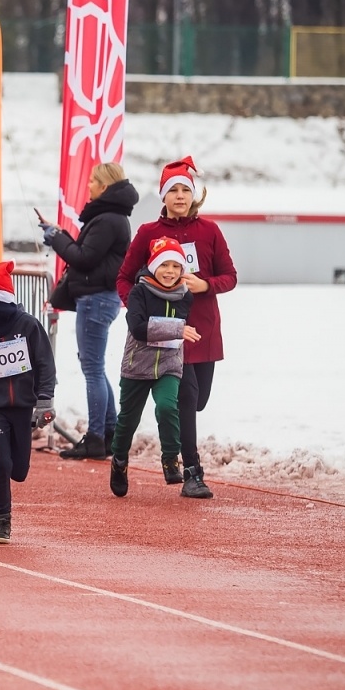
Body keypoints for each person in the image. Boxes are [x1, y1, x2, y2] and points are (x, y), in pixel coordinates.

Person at [116, 158, 235, 500]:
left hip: (204, 331)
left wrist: (204, 285)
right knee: (185, 397)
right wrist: (137, 308)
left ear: (193, 195)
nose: (180, 196)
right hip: (166, 336)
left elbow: (230, 276)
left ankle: (178, 443)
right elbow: (124, 278)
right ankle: (191, 472)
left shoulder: (209, 231)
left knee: (197, 402)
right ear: (163, 197)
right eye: (173, 190)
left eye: (185, 189)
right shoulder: (149, 234)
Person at [42, 162, 138, 461]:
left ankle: (97, 437)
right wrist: (60, 234)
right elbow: (90, 257)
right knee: (94, 367)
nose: (89, 186)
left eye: (94, 181)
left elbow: (83, 259)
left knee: (92, 369)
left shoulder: (108, 219)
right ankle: (108, 434)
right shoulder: (113, 218)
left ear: (105, 186)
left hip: (96, 299)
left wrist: (57, 239)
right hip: (101, 298)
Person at [0, 261, 57, 544]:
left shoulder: (29, 326)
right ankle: (1, 519)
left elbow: (44, 364)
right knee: (1, 464)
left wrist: (44, 401)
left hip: (24, 409)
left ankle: (9, 492)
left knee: (19, 470)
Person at [109, 237, 201, 499]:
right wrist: (177, 329)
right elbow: (138, 328)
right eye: (164, 265)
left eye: (176, 266)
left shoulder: (185, 296)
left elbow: (176, 326)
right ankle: (119, 460)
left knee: (168, 406)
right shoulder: (139, 292)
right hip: (137, 364)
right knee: (128, 421)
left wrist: (178, 331)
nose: (170, 271)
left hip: (170, 364)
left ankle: (171, 458)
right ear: (153, 266)